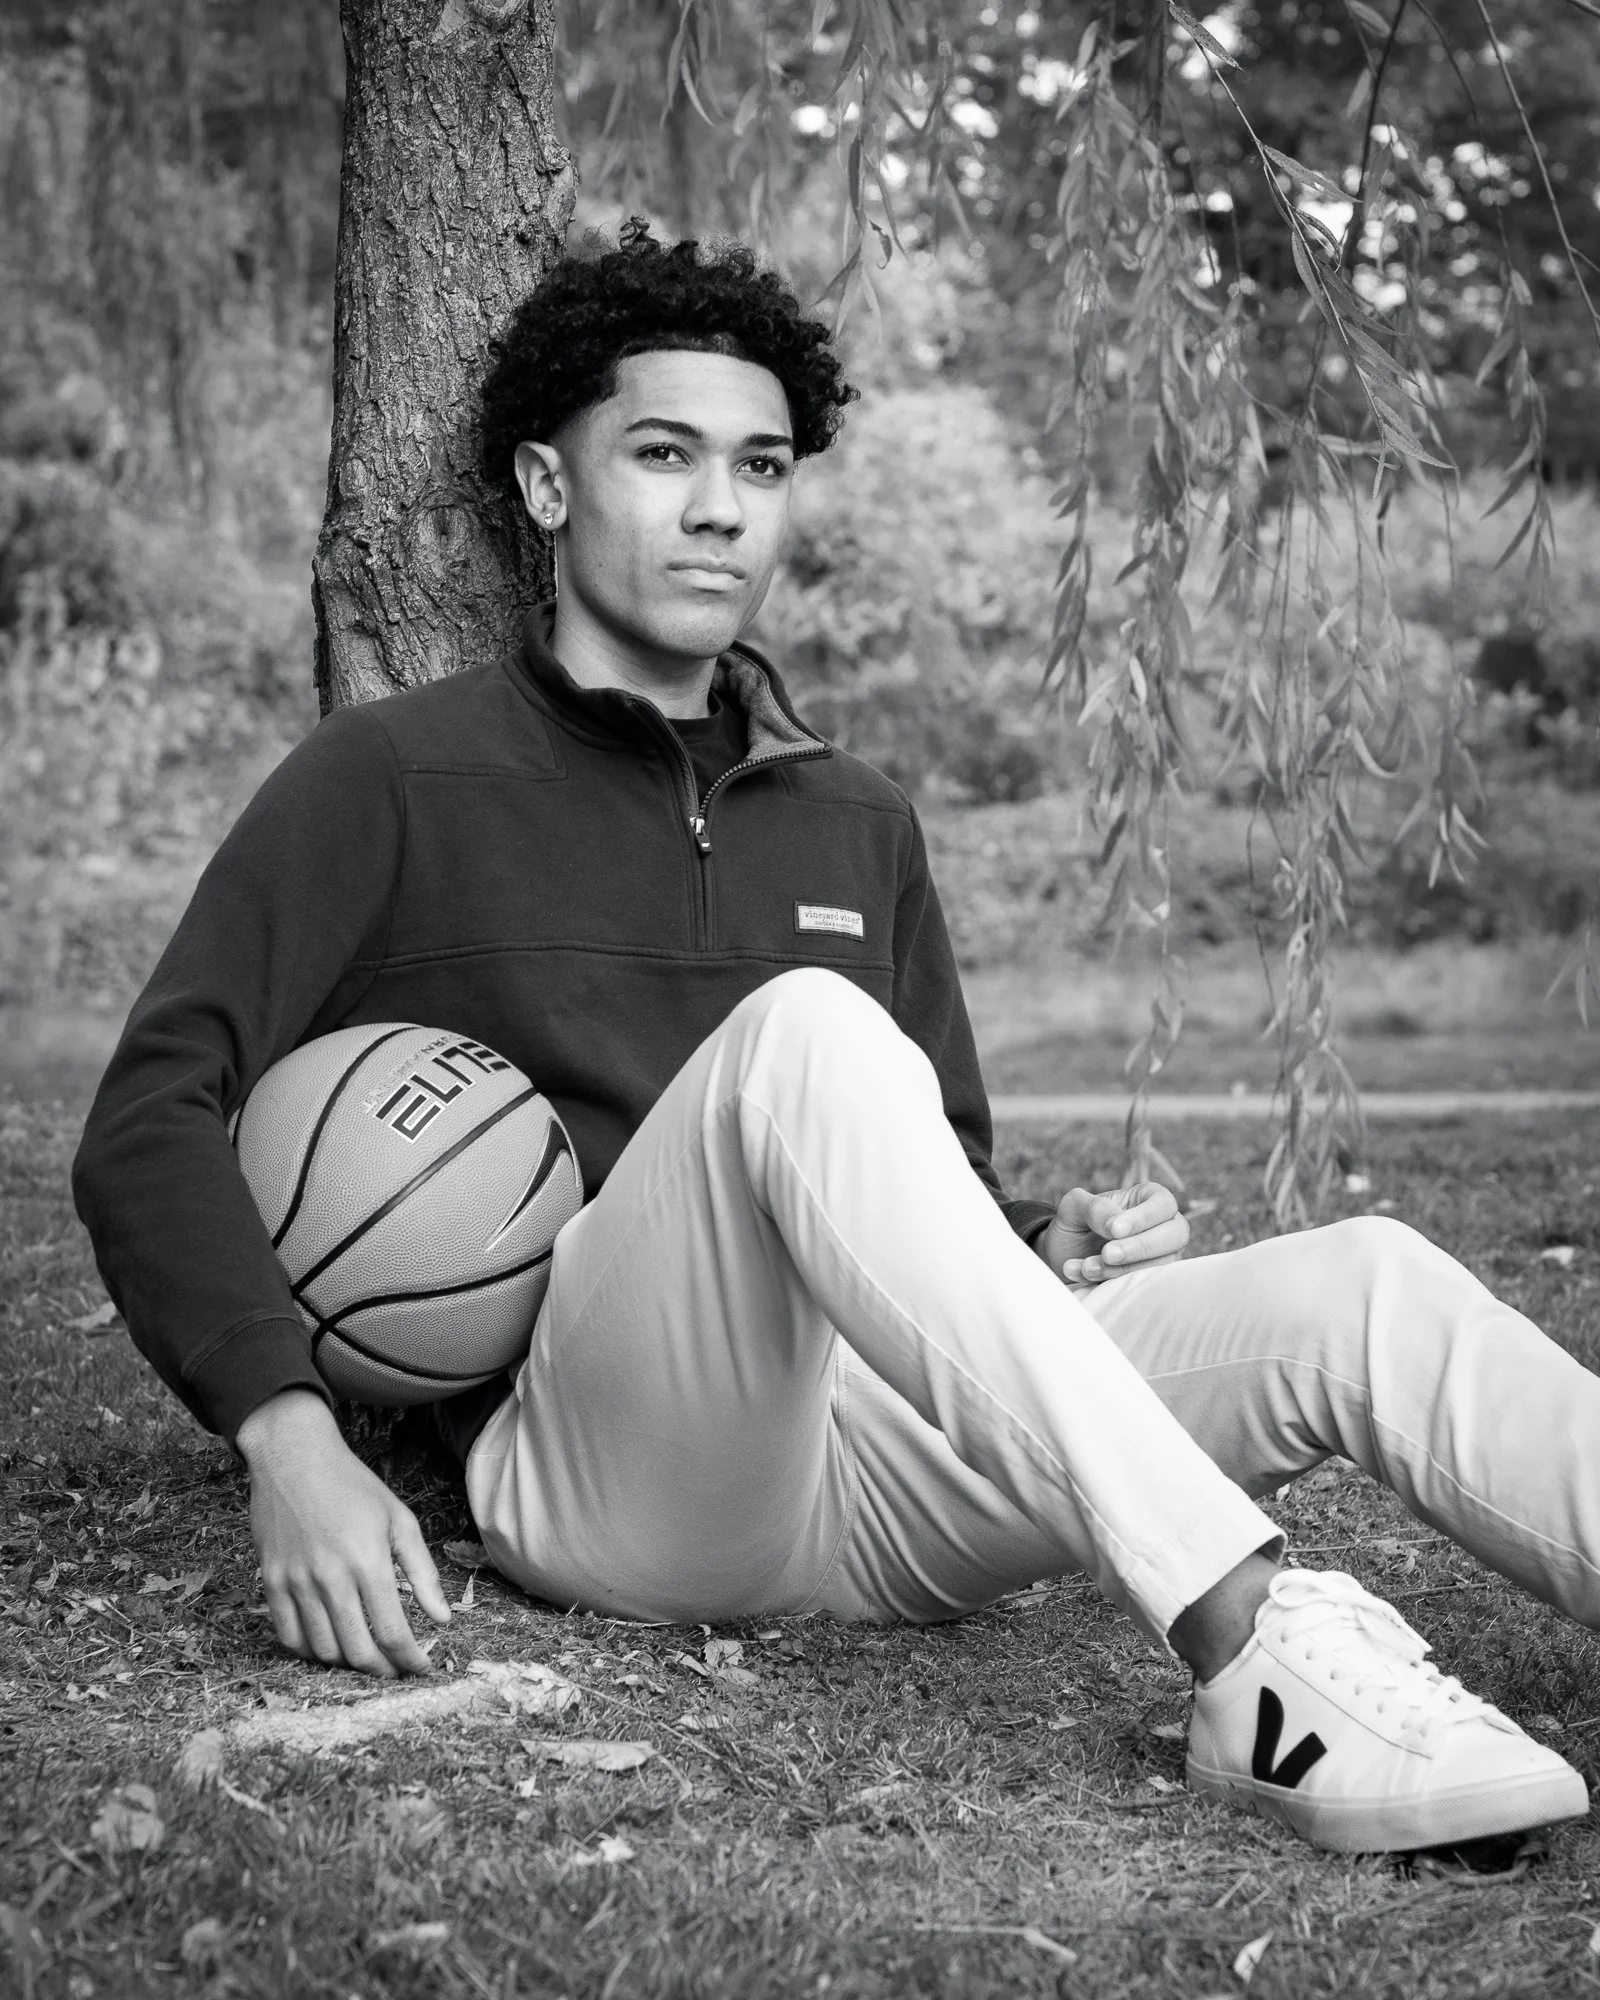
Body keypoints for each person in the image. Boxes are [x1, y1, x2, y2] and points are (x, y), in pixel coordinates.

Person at [73, 222, 1598, 1858]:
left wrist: (1036, 1241)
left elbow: (921, 1166)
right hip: (622, 1468)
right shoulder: (388, 779)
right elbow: (153, 1110)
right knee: (800, 1032)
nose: (720, 504)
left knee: (1362, 1286)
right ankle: (1256, 1657)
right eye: (662, 454)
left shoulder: (856, 818)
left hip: (898, 1458)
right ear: (543, 483)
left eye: (763, 463)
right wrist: (285, 1438)